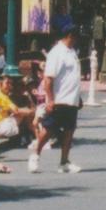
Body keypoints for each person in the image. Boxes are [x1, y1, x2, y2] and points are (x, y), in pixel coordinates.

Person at [29, 25, 83, 174]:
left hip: (71, 99)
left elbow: (72, 77)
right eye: (76, 36)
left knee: (69, 131)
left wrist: (78, 97)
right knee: (48, 129)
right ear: (70, 35)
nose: (77, 40)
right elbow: (48, 79)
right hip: (59, 99)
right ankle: (35, 155)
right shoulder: (56, 53)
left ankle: (64, 162)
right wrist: (50, 100)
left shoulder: (71, 52)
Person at [0, 68, 35, 144]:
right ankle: (36, 135)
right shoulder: (1, 96)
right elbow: (17, 111)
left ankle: (27, 136)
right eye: (7, 83)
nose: (10, 86)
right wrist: (33, 112)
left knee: (20, 113)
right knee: (23, 113)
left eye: (10, 84)